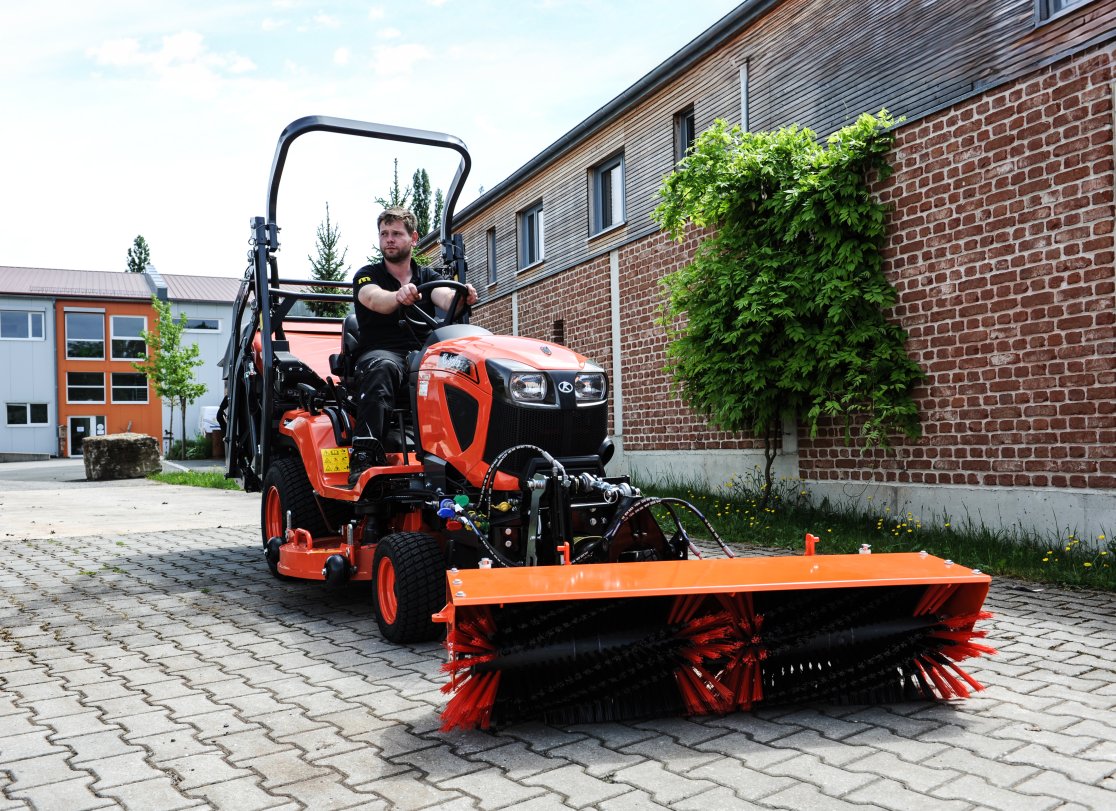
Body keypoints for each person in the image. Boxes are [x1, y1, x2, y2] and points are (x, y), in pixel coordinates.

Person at [349, 206, 477, 483]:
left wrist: (460, 297)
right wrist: (398, 296)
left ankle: (469, 451)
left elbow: (444, 297)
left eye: (396, 233)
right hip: (379, 352)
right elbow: (373, 299)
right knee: (383, 367)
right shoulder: (367, 275)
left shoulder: (427, 277)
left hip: (422, 354)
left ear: (414, 238)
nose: (389, 240)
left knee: (468, 370)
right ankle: (365, 454)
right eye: (384, 234)